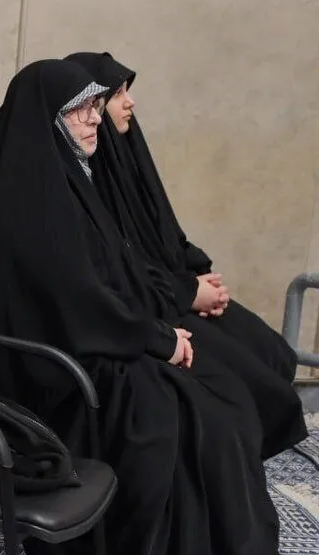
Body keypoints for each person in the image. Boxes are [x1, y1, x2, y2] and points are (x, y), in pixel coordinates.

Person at [0, 58, 318, 555]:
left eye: (95, 106)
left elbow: (107, 282)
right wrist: (156, 339)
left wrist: (156, 329)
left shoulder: (69, 182)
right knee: (188, 421)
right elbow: (71, 300)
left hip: (88, 350)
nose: (94, 119)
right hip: (56, 378)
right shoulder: (30, 197)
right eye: (79, 110)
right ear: (46, 120)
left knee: (220, 405)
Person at [64, 51, 304, 459]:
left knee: (269, 351)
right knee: (235, 391)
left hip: (153, 299)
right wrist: (184, 293)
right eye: (114, 95)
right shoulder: (77, 182)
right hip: (141, 310)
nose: (127, 104)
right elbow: (103, 276)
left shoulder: (113, 163)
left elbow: (158, 238)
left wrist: (194, 279)